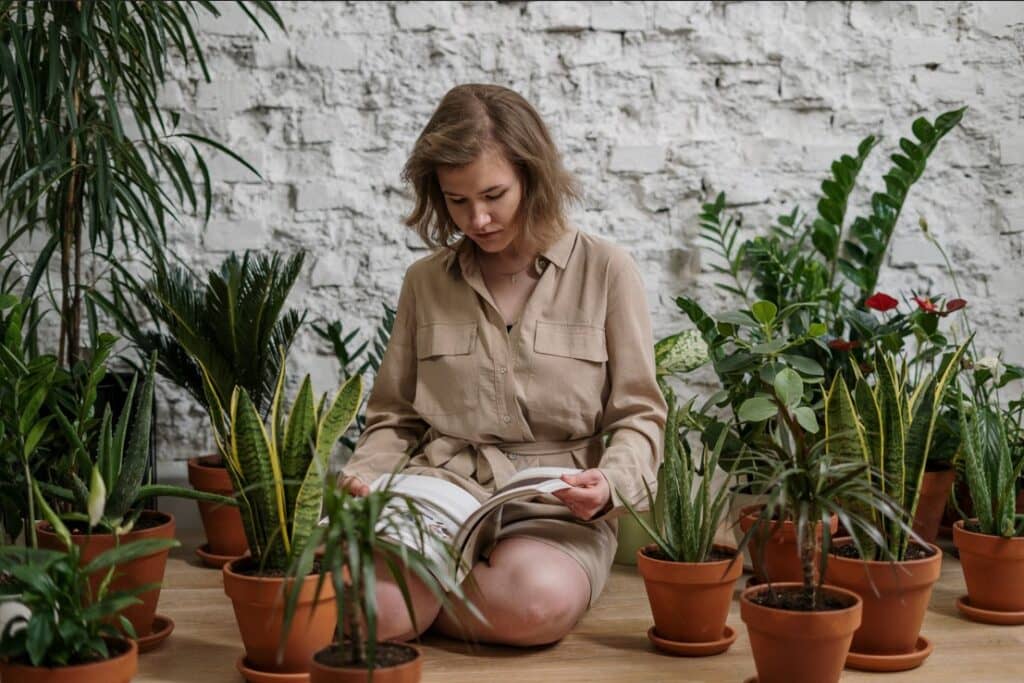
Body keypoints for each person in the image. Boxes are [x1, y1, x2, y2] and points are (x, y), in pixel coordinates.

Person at [340, 83, 666, 647]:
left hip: (554, 504)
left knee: (531, 604)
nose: (478, 218)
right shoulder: (425, 281)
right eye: (457, 200)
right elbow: (395, 415)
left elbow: (639, 413)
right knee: (374, 611)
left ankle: (428, 597)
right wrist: (365, 475)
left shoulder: (608, 271)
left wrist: (610, 484)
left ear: (532, 178)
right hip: (437, 488)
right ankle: (420, 596)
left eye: (494, 194)